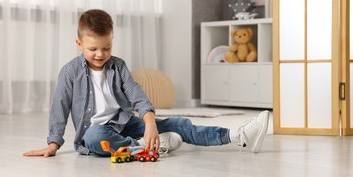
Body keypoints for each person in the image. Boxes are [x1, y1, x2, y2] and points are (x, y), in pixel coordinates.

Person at [23, 9, 269, 158]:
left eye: (106, 47)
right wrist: (53, 144)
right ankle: (144, 147)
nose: (100, 54)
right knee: (95, 135)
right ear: (79, 44)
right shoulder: (69, 72)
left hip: (124, 123)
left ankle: (238, 135)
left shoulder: (117, 66)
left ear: (112, 41)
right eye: (93, 48)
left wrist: (149, 122)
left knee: (177, 123)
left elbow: (135, 93)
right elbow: (59, 108)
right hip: (96, 133)